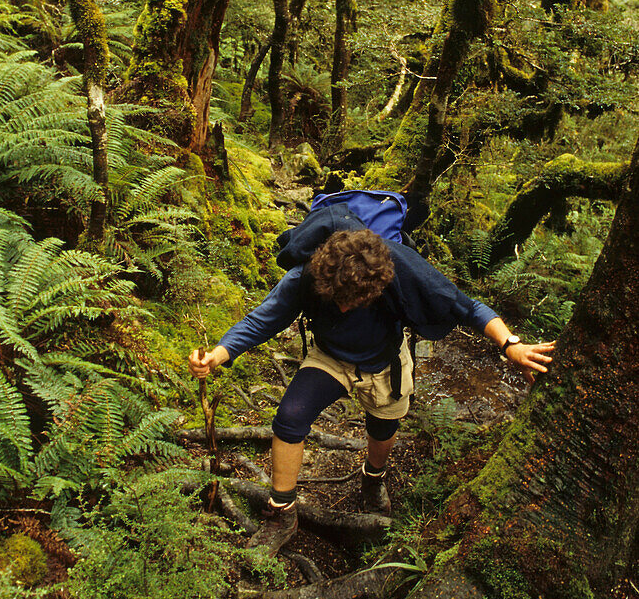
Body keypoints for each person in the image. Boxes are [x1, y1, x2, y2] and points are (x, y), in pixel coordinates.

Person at [188, 228, 554, 554]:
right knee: (289, 417)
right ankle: (282, 513)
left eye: (354, 300)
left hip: (384, 362)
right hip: (330, 357)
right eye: (338, 299)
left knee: (383, 429)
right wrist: (218, 355)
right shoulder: (308, 275)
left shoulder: (404, 272)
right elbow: (262, 319)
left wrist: (511, 345)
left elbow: (467, 308)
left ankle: (373, 477)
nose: (345, 306)